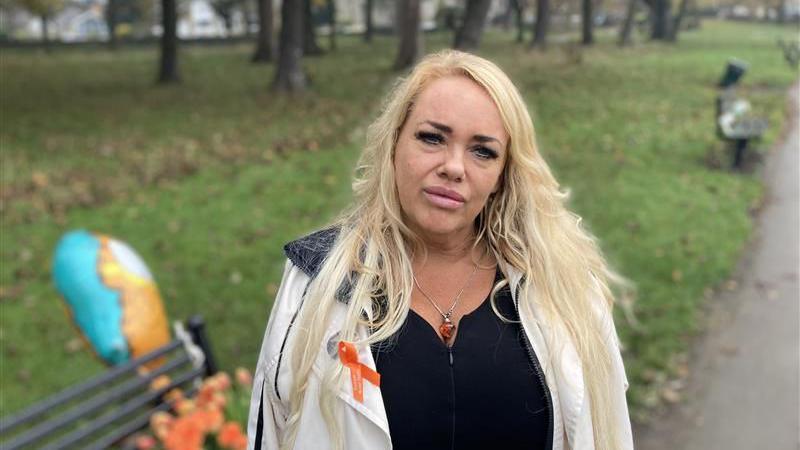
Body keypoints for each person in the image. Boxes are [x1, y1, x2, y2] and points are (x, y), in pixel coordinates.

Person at [247, 49, 633, 450]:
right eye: (432, 138)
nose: (454, 167)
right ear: (394, 144)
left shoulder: (566, 291)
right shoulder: (318, 279)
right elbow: (271, 433)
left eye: (483, 151)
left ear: (502, 175)